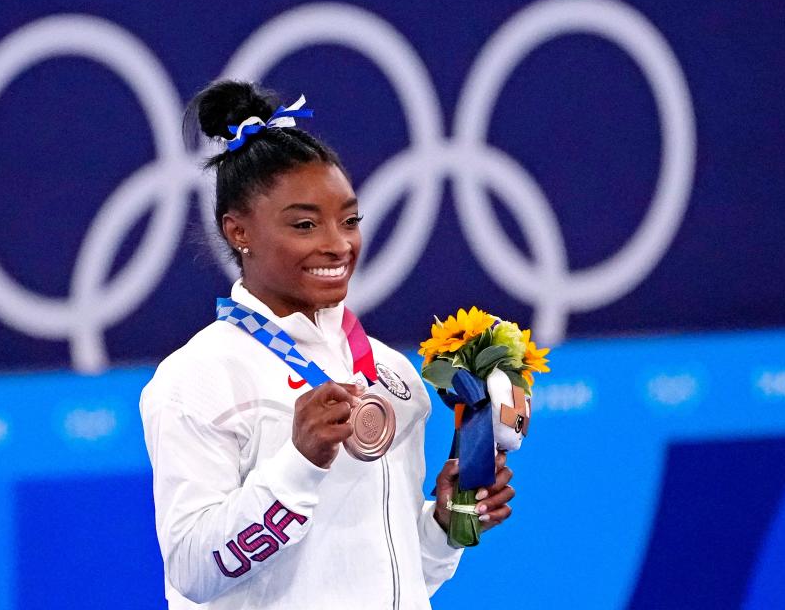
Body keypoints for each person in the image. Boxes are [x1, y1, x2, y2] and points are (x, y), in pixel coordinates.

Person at [140, 80, 515, 609]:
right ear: (238, 231)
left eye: (350, 220)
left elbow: (401, 577)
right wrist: (300, 462)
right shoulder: (196, 379)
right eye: (305, 224)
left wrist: (444, 525)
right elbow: (194, 571)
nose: (337, 244)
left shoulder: (392, 375)